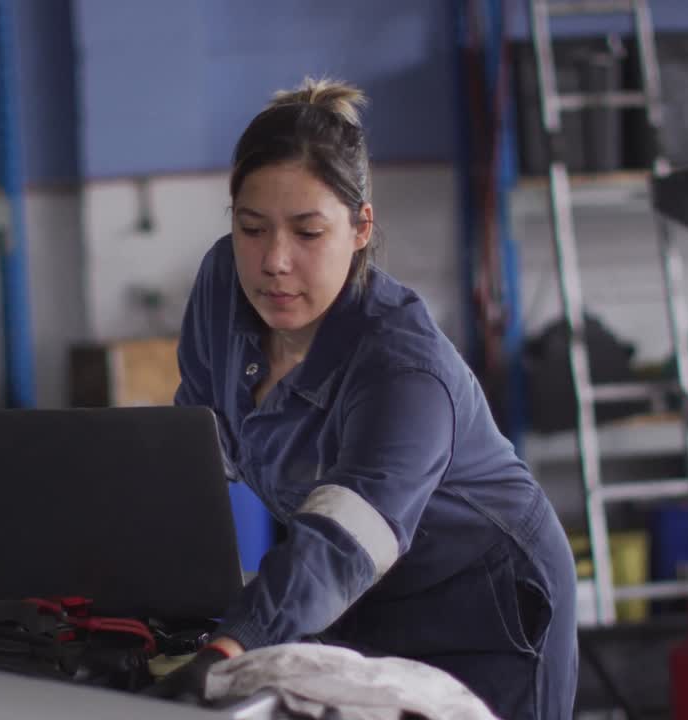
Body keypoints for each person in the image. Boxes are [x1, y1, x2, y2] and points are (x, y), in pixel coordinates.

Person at [149, 77, 578, 720]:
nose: (274, 261)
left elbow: (345, 540)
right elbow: (197, 444)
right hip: (352, 597)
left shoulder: (403, 368)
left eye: (308, 232)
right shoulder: (221, 285)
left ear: (359, 228)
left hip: (485, 608)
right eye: (252, 227)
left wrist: (229, 649)